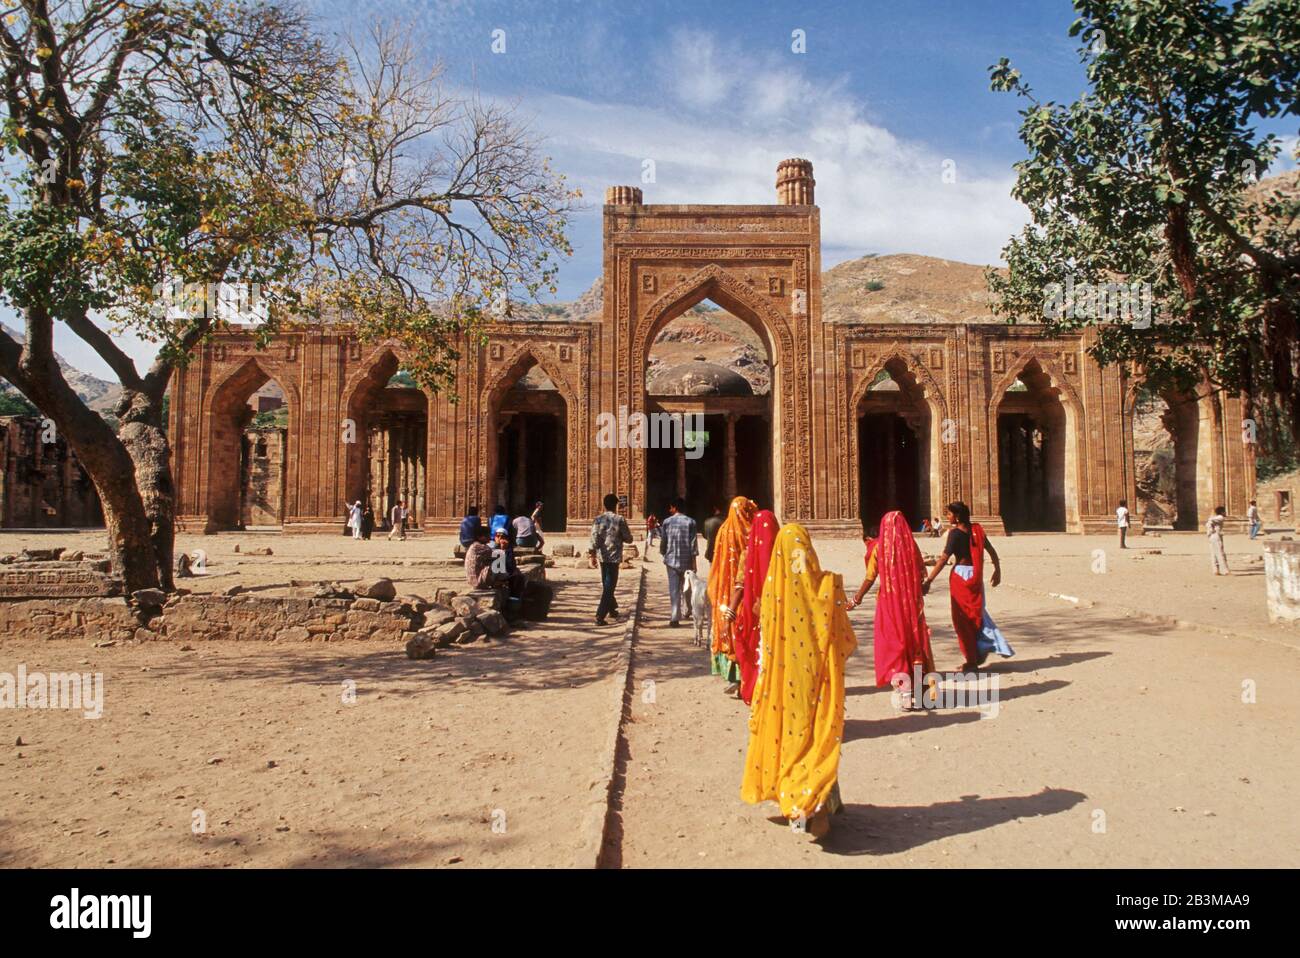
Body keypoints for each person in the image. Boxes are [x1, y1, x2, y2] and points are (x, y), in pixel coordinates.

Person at [740, 523, 856, 839]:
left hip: (782, 681)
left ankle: (799, 801)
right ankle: (817, 803)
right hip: (815, 676)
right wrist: (834, 584)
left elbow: (761, 634)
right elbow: (835, 623)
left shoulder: (771, 593)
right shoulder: (821, 590)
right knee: (817, 733)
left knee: (786, 733)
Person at [847, 509, 935, 710]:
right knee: (916, 643)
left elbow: (870, 577)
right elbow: (922, 573)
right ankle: (921, 691)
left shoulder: (880, 548)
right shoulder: (912, 546)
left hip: (889, 604)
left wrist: (855, 600)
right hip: (912, 605)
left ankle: (904, 692)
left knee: (893, 644)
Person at [922, 501, 1011, 671]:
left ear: (957, 516)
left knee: (963, 619)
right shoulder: (976, 530)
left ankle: (972, 660)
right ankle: (983, 649)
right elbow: (991, 550)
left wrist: (929, 580)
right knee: (977, 613)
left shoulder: (955, 534)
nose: (947, 517)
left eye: (949, 514)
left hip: (961, 577)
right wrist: (997, 570)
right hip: (975, 575)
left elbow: (943, 559)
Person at [732, 509, 779, 706]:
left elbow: (740, 585)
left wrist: (731, 610)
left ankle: (753, 686)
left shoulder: (748, 553)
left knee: (755, 647)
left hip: (754, 612)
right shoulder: (784, 553)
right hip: (780, 614)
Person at [709, 496, 757, 691]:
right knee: (748, 629)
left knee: (730, 628)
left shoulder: (724, 531)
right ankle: (745, 676)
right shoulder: (753, 532)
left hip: (725, 591)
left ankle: (733, 675)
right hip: (748, 590)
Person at [588, 493, 633, 626]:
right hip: (614, 557)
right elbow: (628, 537)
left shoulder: (598, 519)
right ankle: (600, 615)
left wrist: (592, 554)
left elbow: (594, 537)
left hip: (603, 556)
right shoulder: (619, 519)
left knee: (607, 583)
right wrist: (626, 538)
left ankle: (612, 609)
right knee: (609, 585)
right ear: (615, 505)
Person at [658, 498, 698, 627]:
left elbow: (664, 540)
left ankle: (674, 617)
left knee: (674, 589)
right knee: (687, 587)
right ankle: (689, 610)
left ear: (674, 507)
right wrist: (694, 562)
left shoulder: (667, 522)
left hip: (671, 560)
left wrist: (663, 552)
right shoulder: (691, 522)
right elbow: (693, 544)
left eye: (671, 507)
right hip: (687, 560)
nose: (670, 510)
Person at [492, 528, 528, 596]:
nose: (499, 538)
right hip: (495, 574)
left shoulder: (508, 547)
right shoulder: (492, 547)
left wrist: (505, 550)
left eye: (502, 537)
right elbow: (497, 565)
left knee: (519, 577)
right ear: (495, 537)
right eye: (498, 536)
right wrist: (502, 550)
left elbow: (511, 565)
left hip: (505, 572)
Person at [1208, 505, 1230, 575]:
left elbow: (1210, 521)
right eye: (1224, 511)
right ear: (1222, 512)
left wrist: (1210, 530)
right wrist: (1212, 529)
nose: (1225, 513)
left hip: (1211, 536)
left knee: (1214, 553)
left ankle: (1216, 570)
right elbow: (1210, 521)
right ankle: (1225, 570)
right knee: (1220, 553)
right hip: (1216, 536)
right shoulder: (1220, 517)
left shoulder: (1215, 517)